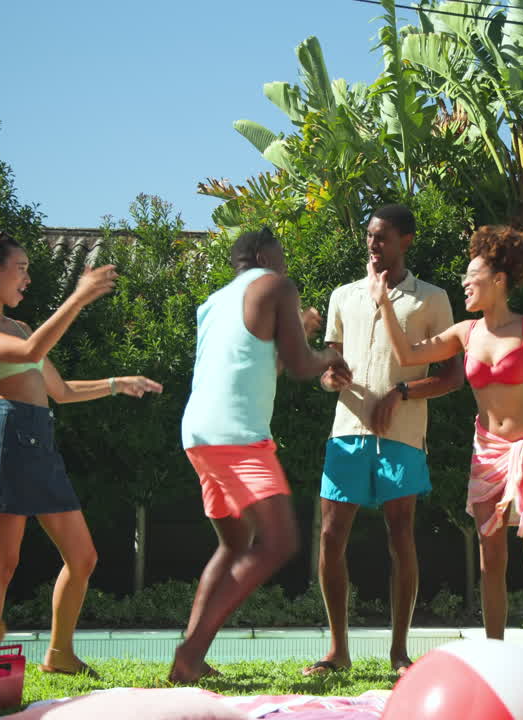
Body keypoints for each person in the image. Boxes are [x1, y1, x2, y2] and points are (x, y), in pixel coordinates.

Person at [371, 225, 523, 677]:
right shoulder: (465, 332)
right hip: (488, 451)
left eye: (472, 276)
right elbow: (409, 353)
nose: (464, 283)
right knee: (490, 558)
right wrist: (383, 304)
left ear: (498, 280)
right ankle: (496, 658)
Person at [0, 222, 163, 677]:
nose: (27, 279)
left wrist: (115, 384)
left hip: (38, 439)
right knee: (2, 564)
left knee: (83, 556)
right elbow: (30, 353)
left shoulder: (18, 325)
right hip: (8, 437)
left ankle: (59, 654)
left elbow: (61, 390)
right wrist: (79, 296)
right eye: (21, 270)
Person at [171, 228, 350, 685]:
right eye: (282, 255)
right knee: (279, 543)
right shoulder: (275, 285)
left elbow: (254, 363)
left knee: (233, 545)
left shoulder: (213, 302)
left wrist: (302, 334)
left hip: (199, 433)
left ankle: (194, 656)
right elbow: (298, 367)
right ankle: (188, 655)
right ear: (262, 255)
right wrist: (329, 354)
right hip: (237, 436)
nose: (286, 265)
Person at [303, 204, 463, 677]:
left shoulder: (431, 298)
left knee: (401, 537)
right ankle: (338, 651)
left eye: (383, 237)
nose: (373, 244)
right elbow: (327, 368)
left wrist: (403, 392)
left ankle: (399, 653)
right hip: (347, 434)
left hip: (403, 436)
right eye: (370, 236)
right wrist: (329, 379)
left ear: (405, 241)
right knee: (331, 537)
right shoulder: (342, 296)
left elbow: (453, 377)